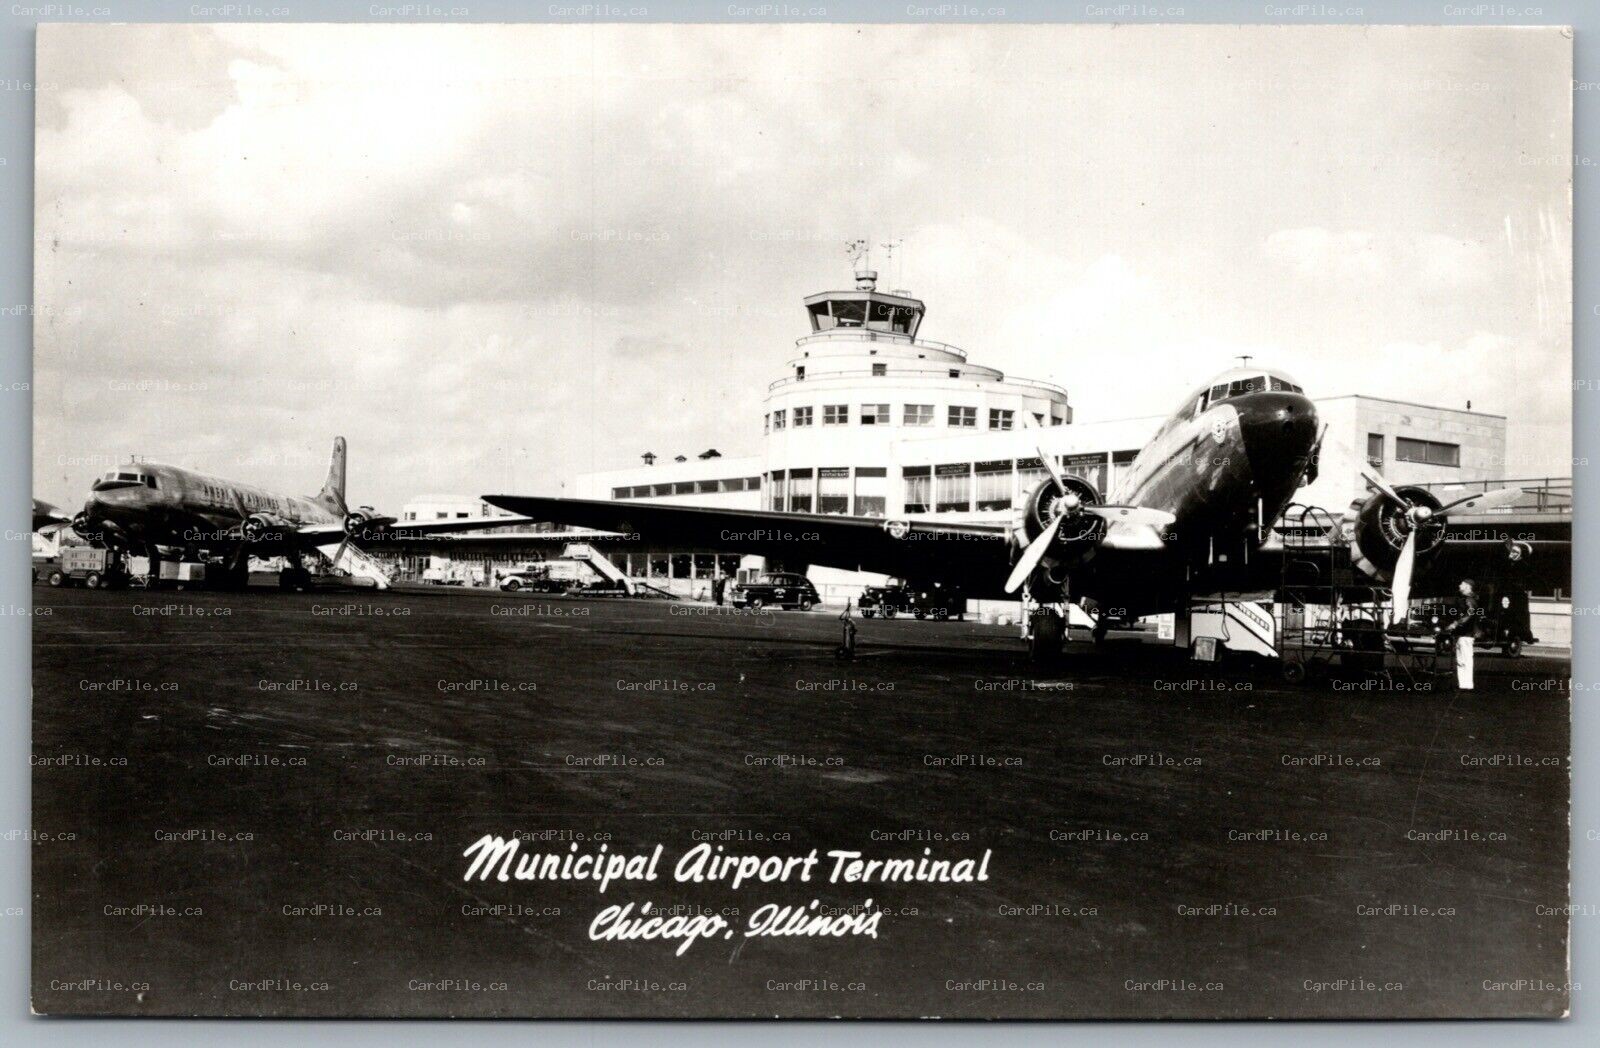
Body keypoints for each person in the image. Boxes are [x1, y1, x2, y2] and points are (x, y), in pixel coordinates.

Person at [1447, 579, 1482, 690]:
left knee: (1465, 659)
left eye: (1461, 583)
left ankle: (1467, 684)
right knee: (1462, 659)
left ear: (1467, 586)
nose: (1459, 585)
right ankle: (1463, 684)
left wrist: (1456, 623)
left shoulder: (1470, 599)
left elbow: (1470, 615)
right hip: (1462, 634)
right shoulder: (1466, 599)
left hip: (1466, 634)